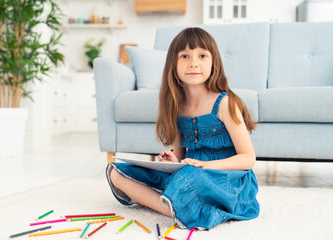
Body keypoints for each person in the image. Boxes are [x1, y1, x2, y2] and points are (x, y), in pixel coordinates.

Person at [106, 27, 260, 230]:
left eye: (202, 56)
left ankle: (176, 204)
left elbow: (248, 159)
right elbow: (179, 158)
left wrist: (206, 166)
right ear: (174, 65)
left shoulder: (225, 103)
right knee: (118, 173)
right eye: (185, 56)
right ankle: (176, 206)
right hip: (189, 174)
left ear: (214, 64)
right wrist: (172, 161)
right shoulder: (177, 107)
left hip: (227, 178)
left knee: (188, 180)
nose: (193, 63)